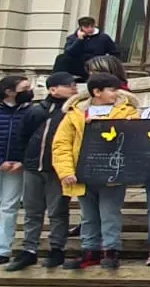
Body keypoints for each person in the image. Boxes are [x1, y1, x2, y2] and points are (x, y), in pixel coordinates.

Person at [51, 73, 139, 270]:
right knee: (88, 216)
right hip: (82, 173)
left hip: (113, 172)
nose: (116, 93)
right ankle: (89, 251)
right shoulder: (74, 113)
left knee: (109, 213)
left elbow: (135, 137)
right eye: (112, 90)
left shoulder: (128, 111)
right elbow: (61, 145)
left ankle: (111, 251)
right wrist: (66, 171)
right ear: (96, 92)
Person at [7, 73, 73, 271]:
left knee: (58, 212)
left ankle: (57, 250)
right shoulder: (36, 111)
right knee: (32, 211)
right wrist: (24, 160)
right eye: (68, 85)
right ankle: (29, 250)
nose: (74, 87)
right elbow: (23, 136)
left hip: (58, 170)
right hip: (34, 168)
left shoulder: (73, 111)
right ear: (53, 89)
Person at [0, 76, 28, 268]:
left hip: (16, 167)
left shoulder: (29, 111)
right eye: (24, 88)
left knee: (9, 208)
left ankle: (1, 249)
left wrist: (22, 161)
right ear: (9, 91)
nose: (29, 91)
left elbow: (33, 139)